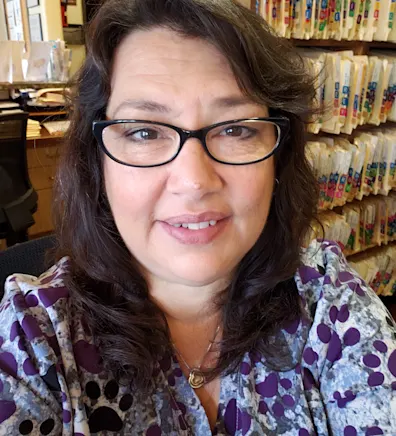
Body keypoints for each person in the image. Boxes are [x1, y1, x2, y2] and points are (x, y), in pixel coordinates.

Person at [1, 0, 395, 434]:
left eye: (235, 129)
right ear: (97, 164)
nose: (194, 181)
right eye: (145, 131)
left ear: (278, 160)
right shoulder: (34, 339)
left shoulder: (331, 307)